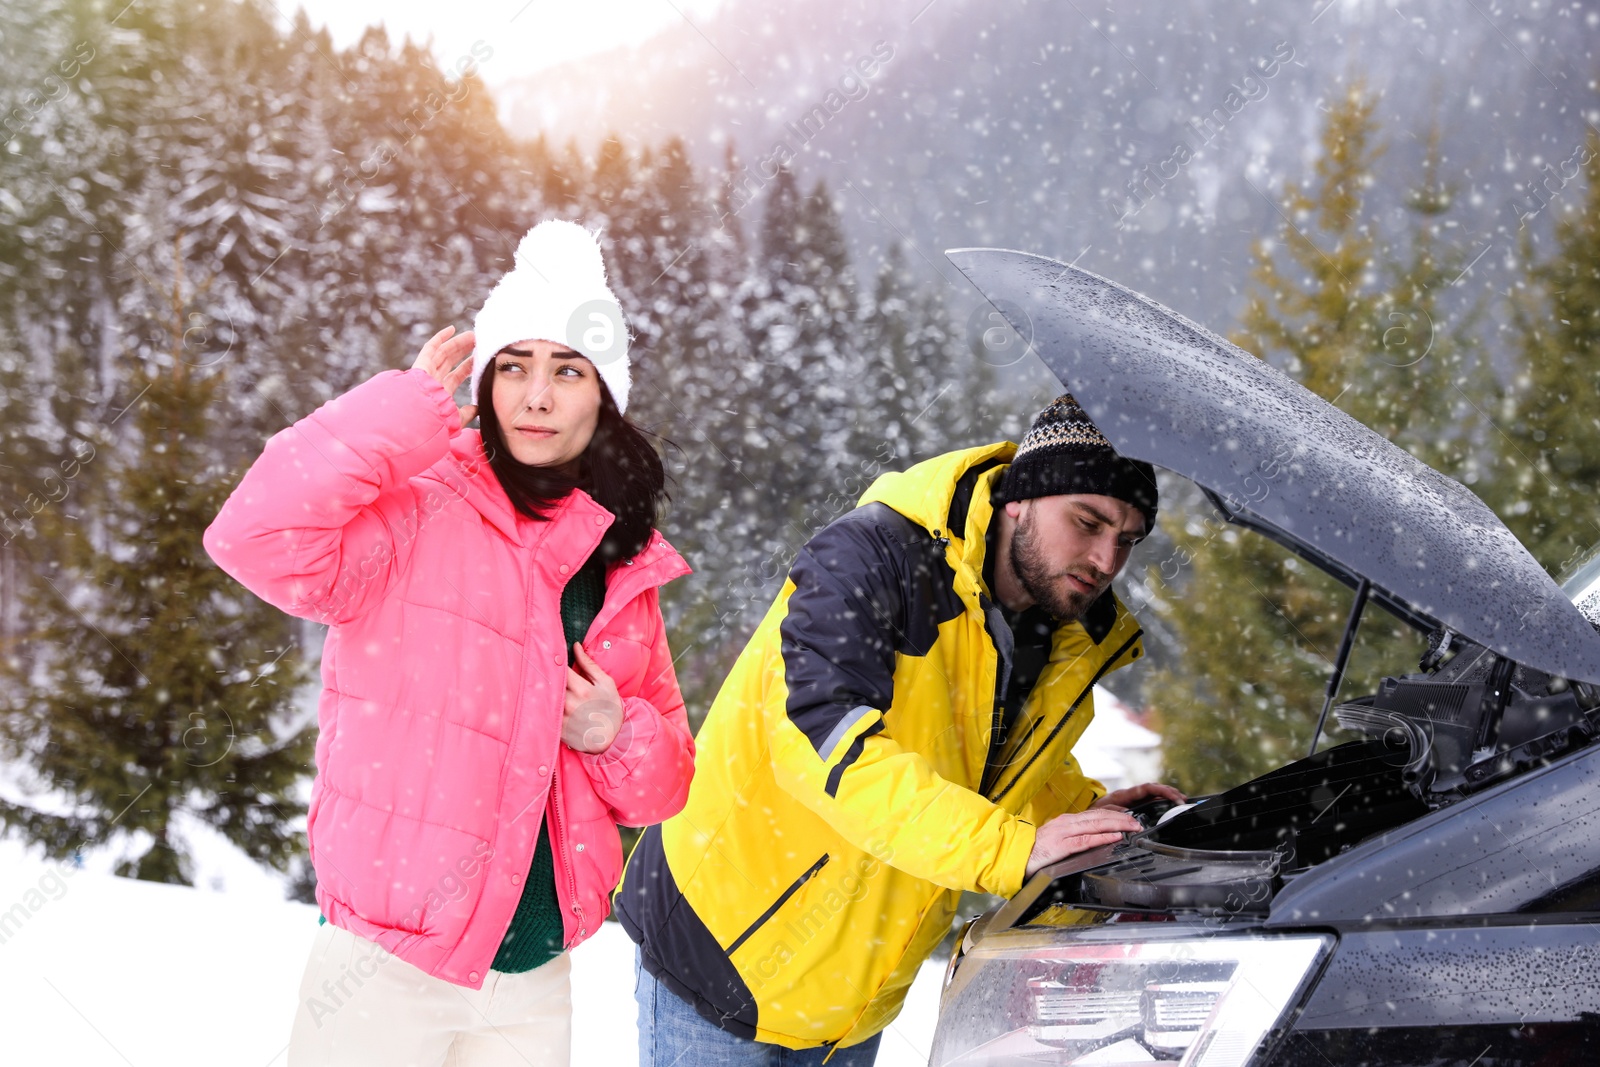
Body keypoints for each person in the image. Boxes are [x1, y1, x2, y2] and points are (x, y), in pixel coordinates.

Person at [204, 220, 695, 1066]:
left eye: (567, 370)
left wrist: (616, 735)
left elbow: (668, 785)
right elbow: (253, 537)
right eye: (514, 365)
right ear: (487, 382)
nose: (536, 395)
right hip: (382, 966)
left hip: (536, 972)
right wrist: (400, 412)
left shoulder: (620, 563)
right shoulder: (419, 505)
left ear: (604, 396)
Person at [617, 394, 1185, 1064]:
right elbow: (823, 745)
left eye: (1126, 538)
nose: (1105, 558)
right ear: (1021, 498)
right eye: (1087, 521)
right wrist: (1013, 849)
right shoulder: (872, 559)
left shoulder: (1063, 635)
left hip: (858, 995)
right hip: (720, 958)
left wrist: (1082, 816)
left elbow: (998, 757)